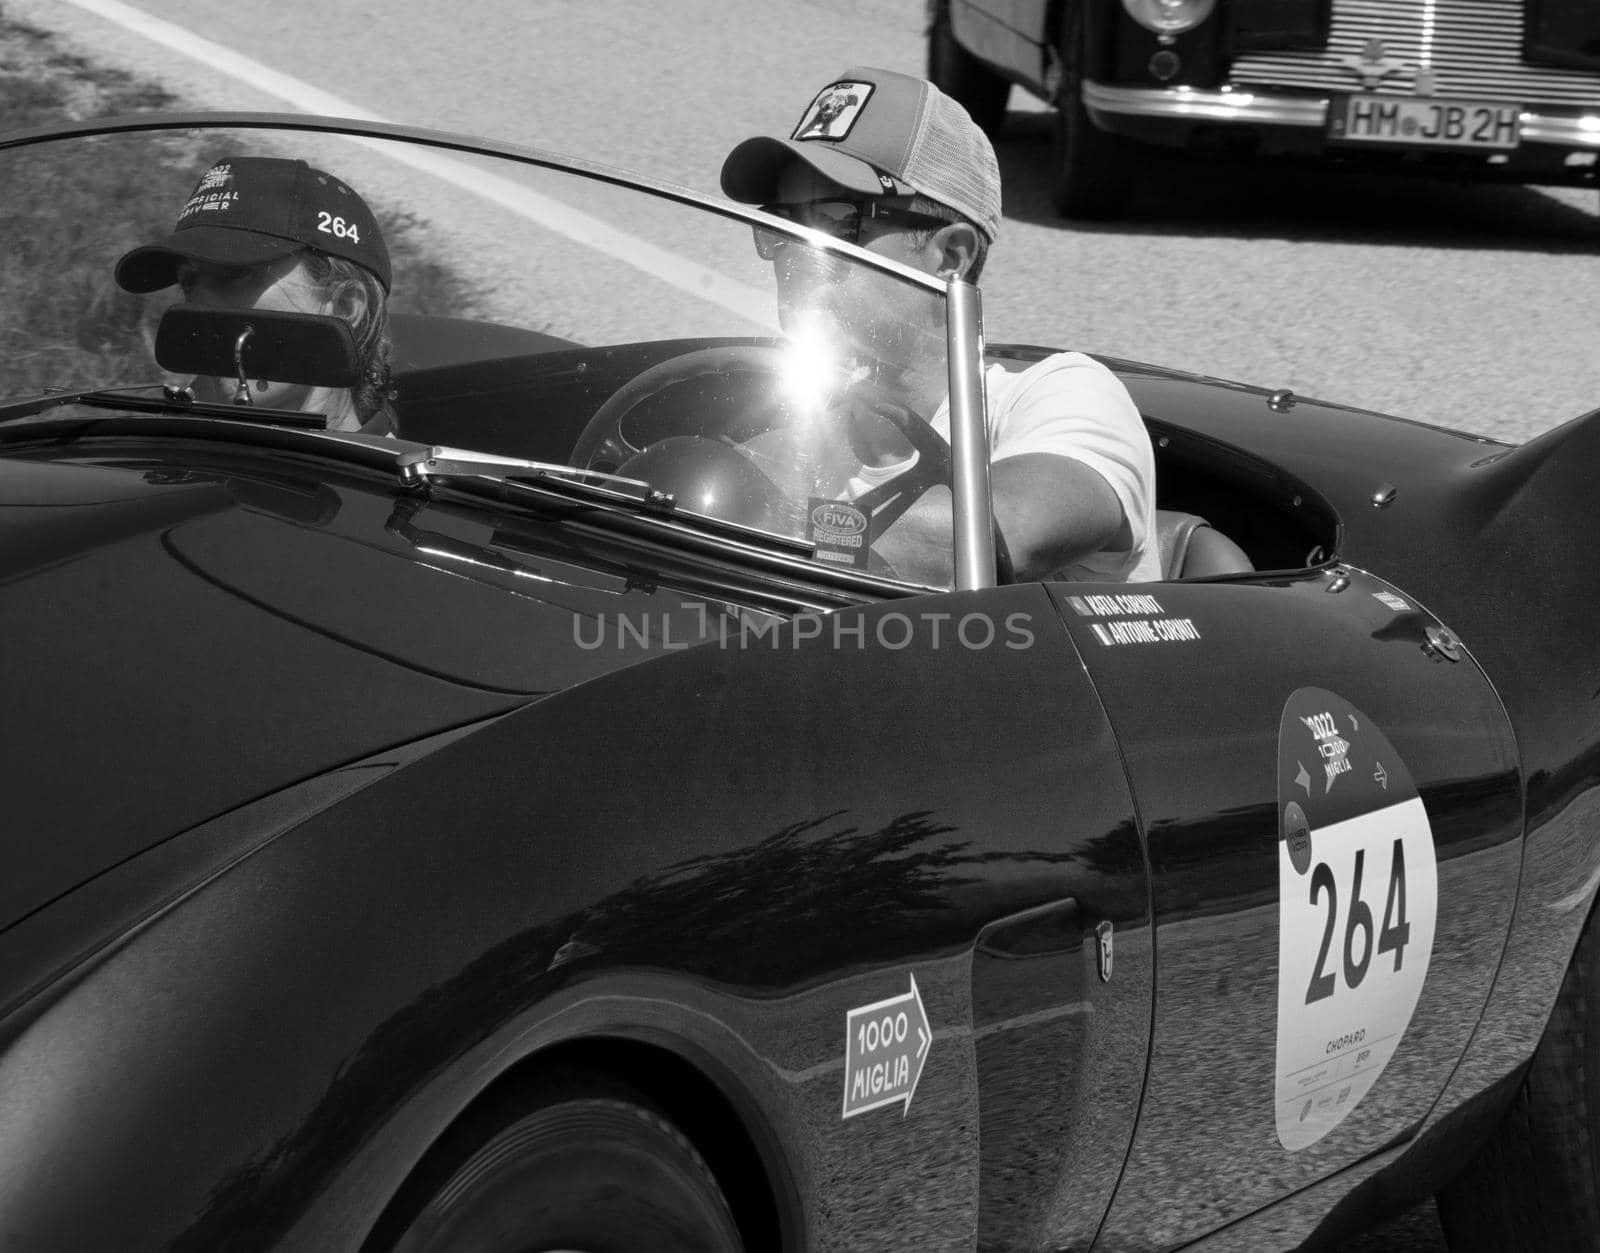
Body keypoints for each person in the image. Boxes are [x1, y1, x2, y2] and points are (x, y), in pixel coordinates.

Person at [721, 66, 1160, 583]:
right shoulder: (797, 440)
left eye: (836, 222)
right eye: (782, 224)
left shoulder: (1057, 396)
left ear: (949, 255)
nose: (795, 254)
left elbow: (991, 541)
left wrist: (744, 520)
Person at [114, 155, 397, 435]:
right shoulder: (154, 455)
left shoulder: (397, 478)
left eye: (235, 273)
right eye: (189, 283)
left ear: (346, 308)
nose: (199, 306)